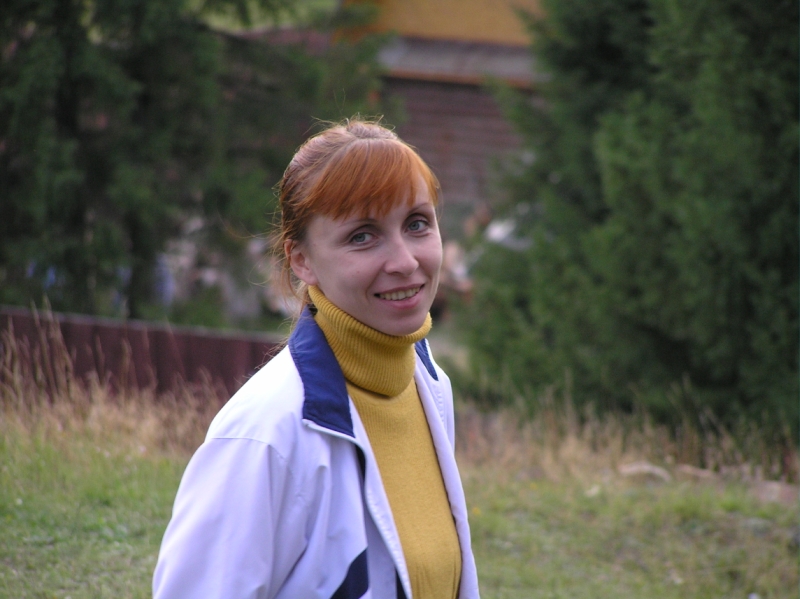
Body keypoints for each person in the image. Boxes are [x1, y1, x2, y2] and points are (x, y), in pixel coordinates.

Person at [153, 119, 480, 599]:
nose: (406, 261)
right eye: (363, 236)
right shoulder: (263, 436)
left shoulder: (429, 386)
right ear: (301, 260)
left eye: (417, 224)